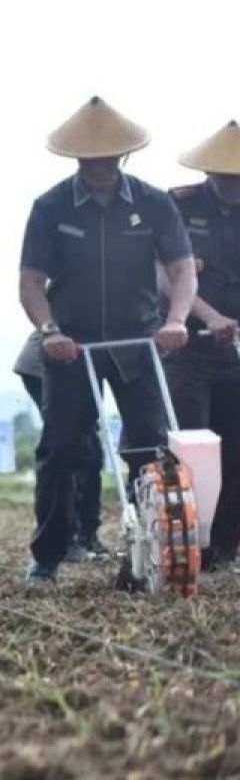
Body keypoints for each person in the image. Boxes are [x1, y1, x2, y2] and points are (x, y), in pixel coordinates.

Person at [18, 96, 195, 584]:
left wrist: (176, 320)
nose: (98, 168)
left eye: (107, 159)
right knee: (60, 447)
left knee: (150, 447)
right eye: (89, 160)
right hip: (70, 345)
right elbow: (30, 281)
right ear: (77, 159)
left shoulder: (153, 204)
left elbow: (182, 270)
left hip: (139, 342)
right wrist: (49, 331)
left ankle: (153, 544)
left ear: (121, 157)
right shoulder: (50, 207)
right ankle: (48, 553)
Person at [165, 120, 240, 571]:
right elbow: (167, 275)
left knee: (236, 449)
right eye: (225, 175)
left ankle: (225, 547)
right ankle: (188, 541)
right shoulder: (176, 206)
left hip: (234, 355)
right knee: (193, 450)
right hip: (187, 348)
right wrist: (211, 317)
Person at [13, 331, 108, 561]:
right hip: (48, 364)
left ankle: (86, 535)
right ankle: (69, 538)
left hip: (78, 365)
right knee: (72, 448)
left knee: (90, 450)